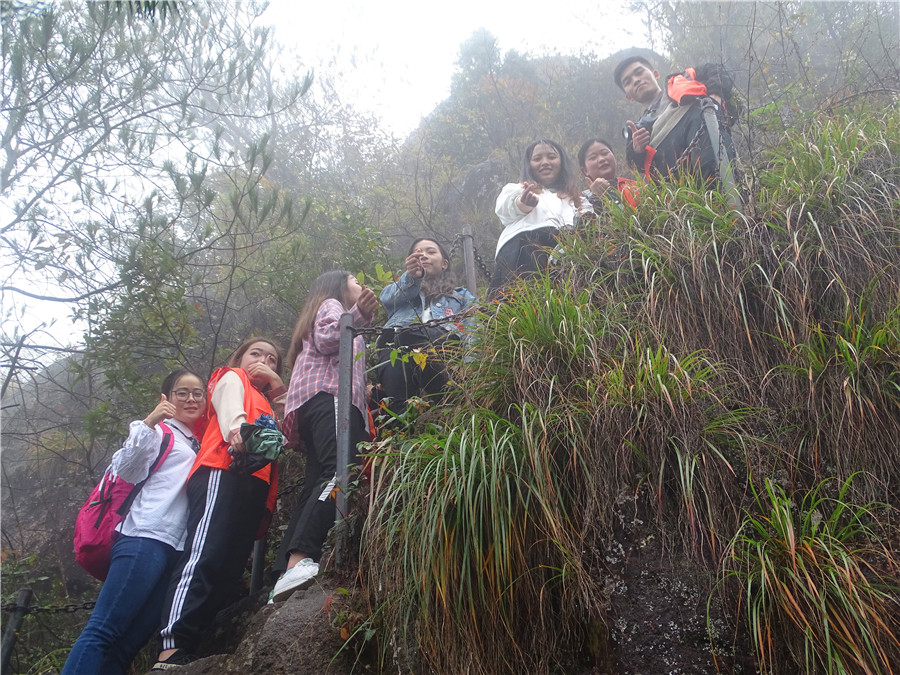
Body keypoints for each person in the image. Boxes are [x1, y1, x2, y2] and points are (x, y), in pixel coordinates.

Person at [62, 369, 206, 675]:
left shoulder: (198, 442)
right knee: (105, 629)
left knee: (129, 644)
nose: (191, 398)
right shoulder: (159, 433)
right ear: (167, 398)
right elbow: (126, 468)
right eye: (183, 392)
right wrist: (150, 421)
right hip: (145, 537)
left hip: (177, 549)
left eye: (198, 393)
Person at [154, 338, 286, 670]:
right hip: (222, 467)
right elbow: (230, 407)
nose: (263, 361)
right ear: (240, 356)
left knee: (229, 566)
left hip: (253, 481)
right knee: (205, 553)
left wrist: (279, 386)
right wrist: (237, 431)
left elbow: (288, 428)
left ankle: (195, 643)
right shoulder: (232, 376)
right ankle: (171, 646)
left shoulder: (267, 399)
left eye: (272, 359)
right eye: (255, 353)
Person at [269, 271, 377, 603]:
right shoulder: (332, 306)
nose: (360, 283)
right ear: (338, 286)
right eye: (354, 279)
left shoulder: (320, 310)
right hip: (331, 397)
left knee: (316, 481)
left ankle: (285, 572)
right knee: (340, 472)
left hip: (315, 403)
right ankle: (302, 558)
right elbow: (331, 338)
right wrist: (360, 313)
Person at [377, 238, 475, 419]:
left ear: (444, 263)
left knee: (407, 336)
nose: (424, 256)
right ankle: (401, 428)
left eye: (431, 251)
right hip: (398, 344)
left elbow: (474, 328)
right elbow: (386, 298)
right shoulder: (401, 290)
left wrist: (470, 366)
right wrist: (411, 278)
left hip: (443, 344)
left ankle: (450, 403)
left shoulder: (461, 296)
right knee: (393, 360)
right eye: (418, 252)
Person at [613, 55, 736, 187]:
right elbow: (635, 165)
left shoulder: (685, 80)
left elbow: (718, 70)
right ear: (628, 96)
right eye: (627, 81)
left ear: (655, 74)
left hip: (714, 172)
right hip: (679, 198)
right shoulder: (639, 129)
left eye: (639, 72)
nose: (636, 80)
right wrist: (638, 151)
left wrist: (714, 97)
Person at [489, 139, 586, 297]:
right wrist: (522, 203)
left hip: (564, 250)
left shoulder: (576, 198)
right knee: (521, 305)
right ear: (529, 164)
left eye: (551, 157)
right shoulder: (518, 188)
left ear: (562, 162)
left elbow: (587, 223)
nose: (545, 162)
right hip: (522, 248)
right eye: (537, 158)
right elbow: (503, 210)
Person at [577, 137, 638, 211]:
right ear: (585, 170)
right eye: (593, 157)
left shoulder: (636, 187)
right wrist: (596, 198)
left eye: (605, 153)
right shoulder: (582, 202)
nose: (601, 159)